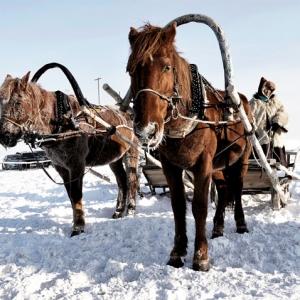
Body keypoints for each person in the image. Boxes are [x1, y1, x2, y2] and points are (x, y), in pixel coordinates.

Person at [249, 77, 289, 167]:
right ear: (262, 89)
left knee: (277, 162)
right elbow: (249, 116)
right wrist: (253, 128)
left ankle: (278, 173)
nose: (268, 92)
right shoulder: (253, 103)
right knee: (260, 159)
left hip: (275, 134)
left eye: (271, 90)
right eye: (267, 89)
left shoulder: (276, 102)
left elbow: (284, 113)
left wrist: (278, 122)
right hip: (260, 135)